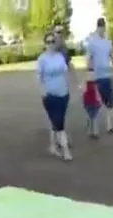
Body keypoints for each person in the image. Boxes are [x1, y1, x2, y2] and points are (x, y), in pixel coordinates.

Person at [36, 31, 72, 161]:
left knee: (56, 122)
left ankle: (52, 146)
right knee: (60, 125)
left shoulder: (60, 57)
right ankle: (66, 150)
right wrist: (43, 92)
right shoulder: (42, 59)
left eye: (53, 41)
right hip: (50, 96)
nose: (51, 44)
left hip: (63, 94)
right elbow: (39, 77)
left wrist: (68, 87)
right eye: (48, 42)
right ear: (45, 44)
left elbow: (65, 72)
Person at [86, 17, 113, 133]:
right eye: (100, 27)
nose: (102, 29)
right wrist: (90, 72)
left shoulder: (107, 42)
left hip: (107, 76)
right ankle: (94, 128)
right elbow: (88, 58)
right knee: (96, 102)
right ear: (97, 27)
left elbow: (111, 55)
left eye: (103, 27)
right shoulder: (92, 42)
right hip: (97, 76)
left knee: (109, 102)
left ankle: (109, 125)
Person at [82, 68, 101, 139]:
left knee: (91, 118)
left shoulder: (87, 83)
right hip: (91, 103)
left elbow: (83, 93)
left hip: (90, 103)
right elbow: (97, 94)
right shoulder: (94, 84)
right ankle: (94, 132)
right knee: (94, 118)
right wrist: (99, 101)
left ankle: (91, 132)